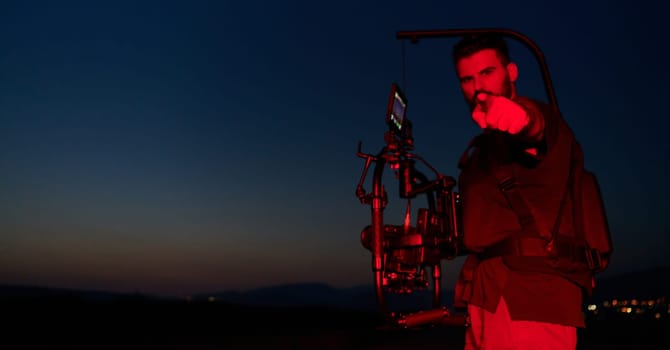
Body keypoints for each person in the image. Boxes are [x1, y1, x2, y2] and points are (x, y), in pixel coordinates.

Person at [452, 33, 586, 349]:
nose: (478, 86)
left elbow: (533, 128)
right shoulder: (483, 151)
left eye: (487, 72)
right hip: (487, 297)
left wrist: (518, 119)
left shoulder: (545, 121)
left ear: (511, 72)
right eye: (467, 79)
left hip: (532, 299)